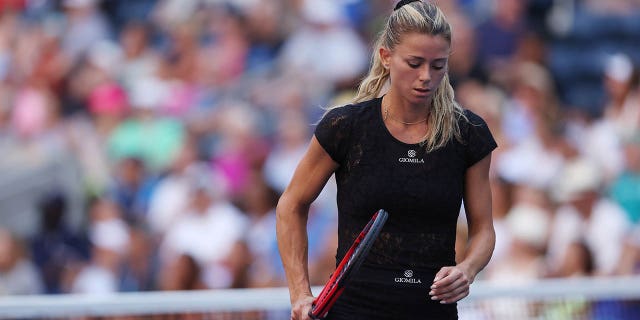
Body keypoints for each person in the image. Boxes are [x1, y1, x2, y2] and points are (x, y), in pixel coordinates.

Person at [276, 1, 497, 319]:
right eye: (414, 63)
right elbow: (290, 206)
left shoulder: (468, 133)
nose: (426, 77)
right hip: (353, 310)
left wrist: (468, 269)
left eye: (438, 65)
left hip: (431, 311)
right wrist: (299, 293)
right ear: (386, 56)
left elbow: (483, 229)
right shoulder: (347, 127)